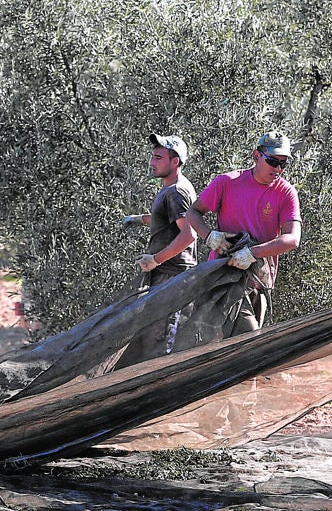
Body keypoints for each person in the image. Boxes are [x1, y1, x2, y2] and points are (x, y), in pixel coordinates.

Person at [184, 131, 302, 336]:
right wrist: (210, 236)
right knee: (247, 345)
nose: (278, 169)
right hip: (220, 280)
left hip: (258, 284)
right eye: (273, 161)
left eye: (284, 164)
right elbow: (193, 212)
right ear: (256, 156)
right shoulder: (226, 183)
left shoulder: (286, 192)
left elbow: (292, 239)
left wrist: (252, 253)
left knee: (241, 349)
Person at [117, 133, 199, 362]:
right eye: (152, 157)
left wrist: (157, 259)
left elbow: (188, 234)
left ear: (175, 162)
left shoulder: (176, 192)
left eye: (158, 157)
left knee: (160, 341)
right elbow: (168, 218)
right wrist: (140, 219)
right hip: (167, 274)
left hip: (173, 275)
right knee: (151, 336)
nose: (152, 163)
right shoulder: (172, 187)